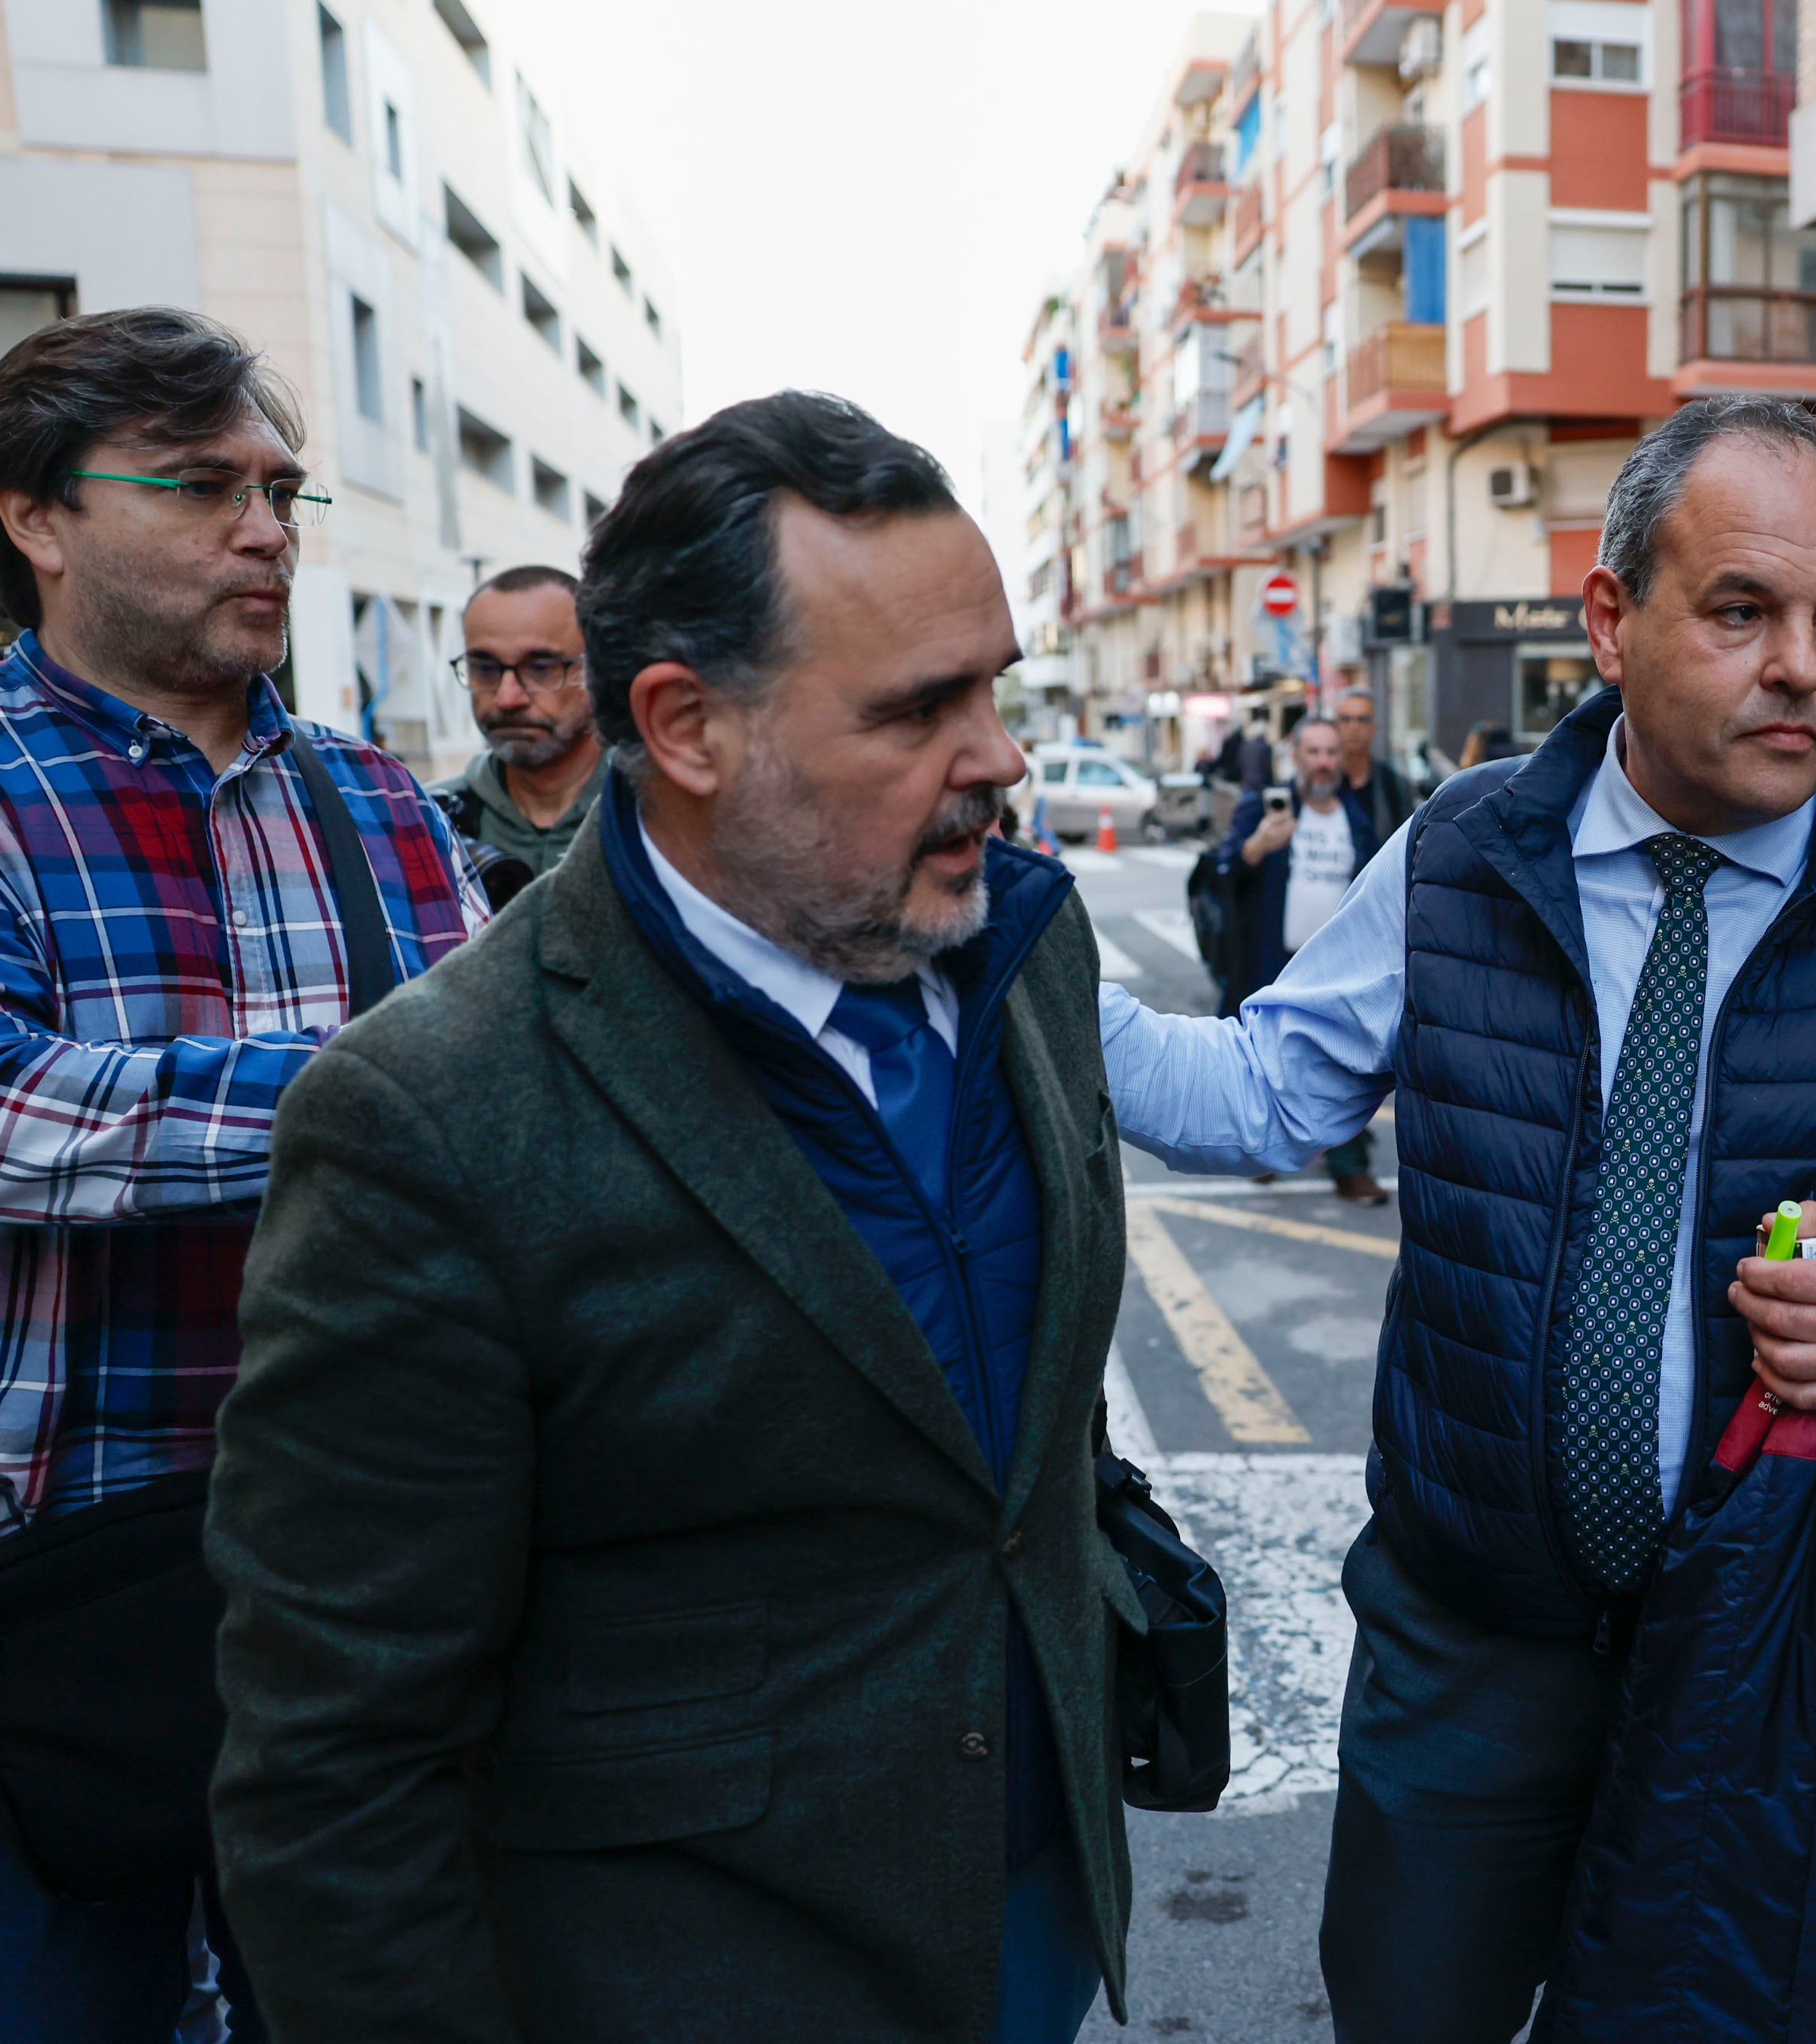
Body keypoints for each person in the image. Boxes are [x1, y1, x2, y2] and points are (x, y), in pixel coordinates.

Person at [1097, 395, 1816, 2039]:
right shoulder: (1463, 852)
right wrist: (1025, 968)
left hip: (1775, 1669)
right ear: (1609, 617)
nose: (1802, 662)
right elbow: (1262, 1095)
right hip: (1471, 1645)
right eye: (1742, 610)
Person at [204, 392, 1138, 2043]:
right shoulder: (428, 1116)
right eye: (922, 708)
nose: (1000, 753)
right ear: (688, 726)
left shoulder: (1029, 945)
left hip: (1036, 1920)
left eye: (994, 684)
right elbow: (339, 1759)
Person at [0, 306, 481, 2039]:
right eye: (203, 484)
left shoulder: (379, 798)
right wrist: (383, 1095)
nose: (269, 529)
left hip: (354, 1580)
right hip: (44, 1574)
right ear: (37, 515)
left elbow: (513, 1137)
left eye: (283, 489)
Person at [1211, 714, 1383, 1203]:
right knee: (1263, 1063)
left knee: (1346, 1064)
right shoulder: (1263, 810)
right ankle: (1259, 1156)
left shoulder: (1356, 817)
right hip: (1272, 961)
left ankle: (1349, 1167)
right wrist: (1258, 845)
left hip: (1338, 968)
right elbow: (1222, 879)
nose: (1325, 763)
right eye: (1314, 752)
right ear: (1296, 757)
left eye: (1331, 753)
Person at [442, 562, 606, 884]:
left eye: (541, 668)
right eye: (485, 668)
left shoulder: (662, 816)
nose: (507, 698)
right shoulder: (429, 821)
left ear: (598, 669)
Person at [1330, 687, 1416, 846]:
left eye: (1363, 719)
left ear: (1374, 726)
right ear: (1335, 725)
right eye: (1346, 719)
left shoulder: (1395, 786)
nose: (1354, 727)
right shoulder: (1321, 780)